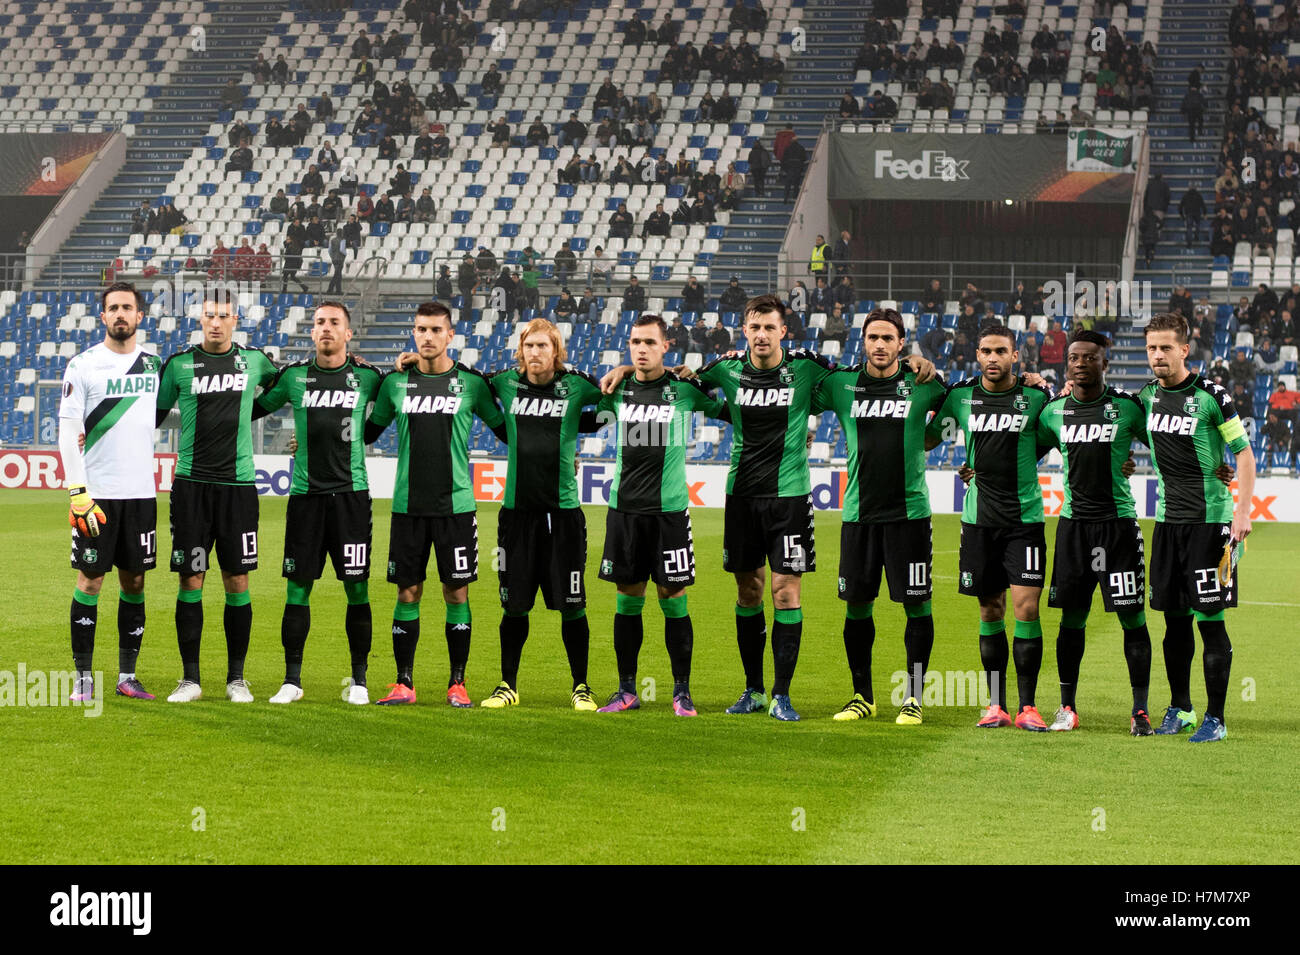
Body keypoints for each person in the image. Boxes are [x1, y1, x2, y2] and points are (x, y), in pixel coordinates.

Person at [367, 303, 509, 706]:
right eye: (420, 329)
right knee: (407, 591)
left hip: (457, 508)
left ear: (451, 335)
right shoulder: (394, 384)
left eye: (435, 330)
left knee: (456, 592)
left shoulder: (473, 385)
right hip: (408, 508)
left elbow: (507, 431)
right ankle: (403, 683)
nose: (426, 337)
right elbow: (367, 433)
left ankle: (457, 684)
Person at [811, 309, 948, 722]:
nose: (880, 345)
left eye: (889, 338)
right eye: (873, 337)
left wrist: (938, 440)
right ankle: (862, 696)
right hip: (858, 514)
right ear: (863, 341)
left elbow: (965, 406)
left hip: (909, 516)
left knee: (917, 606)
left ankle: (914, 697)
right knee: (856, 606)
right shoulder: (841, 384)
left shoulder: (923, 383)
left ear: (901, 343)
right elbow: (795, 386)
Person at [593, 314, 728, 716]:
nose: (641, 349)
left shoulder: (684, 390)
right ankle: (626, 690)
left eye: (650, 342)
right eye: (635, 342)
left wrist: (684, 373)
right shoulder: (616, 389)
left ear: (665, 346)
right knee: (627, 597)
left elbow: (728, 403)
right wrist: (619, 370)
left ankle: (681, 691)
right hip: (625, 512)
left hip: (669, 513)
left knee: (673, 596)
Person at [467, 319, 606, 708]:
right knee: (514, 604)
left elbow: (613, 397)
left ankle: (581, 686)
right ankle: (507, 685)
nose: (534, 353)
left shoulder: (577, 384)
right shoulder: (505, 382)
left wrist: (577, 431)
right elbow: (461, 379)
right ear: (520, 350)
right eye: (528, 345)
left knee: (573, 605)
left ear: (556, 351)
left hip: (563, 516)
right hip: (517, 515)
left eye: (543, 346)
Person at [926, 323, 1054, 730]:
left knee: (1027, 607)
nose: (993, 358)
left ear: (1016, 356)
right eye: (986, 351)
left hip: (1025, 520)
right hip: (978, 521)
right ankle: (996, 704)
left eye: (1002, 351)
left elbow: (1060, 438)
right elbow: (927, 437)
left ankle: (1028, 706)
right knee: (989, 607)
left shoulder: (1036, 397)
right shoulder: (960, 396)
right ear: (977, 355)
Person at [255, 303, 384, 705]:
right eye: (319, 323)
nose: (325, 329)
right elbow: (251, 407)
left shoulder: (368, 377)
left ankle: (359, 681)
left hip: (351, 497)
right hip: (306, 499)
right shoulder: (294, 377)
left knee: (357, 588)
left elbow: (399, 398)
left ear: (349, 333)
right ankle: (292, 681)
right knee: (297, 588)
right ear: (312, 333)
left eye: (334, 323)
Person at [1032, 330, 1161, 732]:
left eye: (1090, 358)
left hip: (1118, 527)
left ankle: (1140, 710)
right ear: (1065, 363)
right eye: (1074, 357)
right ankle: (1067, 707)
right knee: (1072, 618)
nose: (1080, 363)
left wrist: (1133, 462)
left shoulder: (1127, 409)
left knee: (1131, 618)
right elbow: (1023, 453)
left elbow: (1163, 445)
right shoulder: (1053, 412)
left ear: (1105, 363)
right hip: (1074, 529)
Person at [155, 291, 279, 703]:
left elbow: (292, 389)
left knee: (236, 579)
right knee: (191, 578)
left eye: (223, 315)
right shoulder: (178, 365)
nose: (215, 322)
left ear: (235, 319)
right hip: (191, 487)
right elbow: (148, 416)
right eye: (209, 315)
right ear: (199, 318)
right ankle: (190, 679)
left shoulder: (256, 361)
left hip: (239, 488)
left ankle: (236, 679)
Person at [1137, 313, 1256, 742]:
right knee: (1173, 620)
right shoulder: (1146, 396)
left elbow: (1243, 454)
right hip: (1168, 524)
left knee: (1210, 620)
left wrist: (1242, 512)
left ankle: (1217, 718)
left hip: (1210, 525)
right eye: (1151, 347)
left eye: (1166, 347)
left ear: (1184, 350)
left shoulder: (1212, 396)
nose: (1157, 355)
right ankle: (1181, 708)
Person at [60, 282, 162, 703]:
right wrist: (78, 491)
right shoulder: (82, 365)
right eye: (113, 308)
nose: (120, 314)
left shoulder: (154, 366)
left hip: (141, 494)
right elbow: (68, 432)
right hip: (96, 496)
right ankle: (84, 678)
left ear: (140, 316)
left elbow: (164, 418)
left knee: (134, 581)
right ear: (103, 317)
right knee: (90, 579)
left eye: (128, 308)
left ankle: (127, 675)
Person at [1180, 185, 1206, 249]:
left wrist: (1182, 215)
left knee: (1189, 228)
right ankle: (1196, 236)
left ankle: (1189, 243)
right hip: (1197, 213)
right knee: (1198, 225)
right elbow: (1203, 205)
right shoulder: (1198, 195)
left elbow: (1180, 206)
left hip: (1189, 213)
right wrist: (1205, 213)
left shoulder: (1185, 195)